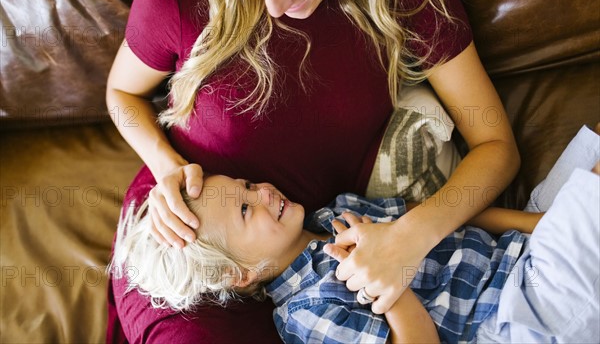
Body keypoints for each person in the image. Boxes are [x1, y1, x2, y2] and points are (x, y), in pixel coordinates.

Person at [105, 0, 519, 341]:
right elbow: (122, 95)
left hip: (327, 245)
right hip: (184, 233)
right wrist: (167, 167)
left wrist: (408, 238)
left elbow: (496, 147)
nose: (273, 6)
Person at [109, 124, 599, 343]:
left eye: (247, 185)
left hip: (524, 250)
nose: (262, 193)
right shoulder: (306, 313)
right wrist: (385, 284)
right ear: (240, 274)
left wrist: (541, 224)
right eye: (244, 210)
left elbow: (450, 216)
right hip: (515, 313)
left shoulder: (337, 211)